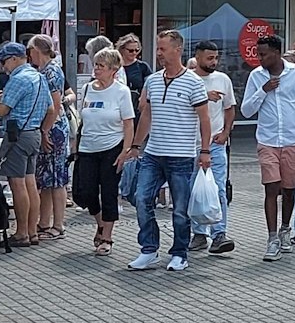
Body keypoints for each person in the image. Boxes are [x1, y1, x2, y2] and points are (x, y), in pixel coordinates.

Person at [125, 30, 212, 273]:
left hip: (181, 155)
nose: (159, 53)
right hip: (153, 153)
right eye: (158, 49)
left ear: (177, 50)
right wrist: (135, 146)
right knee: (142, 199)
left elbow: (205, 120)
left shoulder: (194, 82)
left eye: (163, 49)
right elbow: (147, 116)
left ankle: (179, 253)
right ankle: (149, 249)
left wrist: (205, 151)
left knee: (180, 209)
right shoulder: (152, 80)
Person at [241, 34, 295, 261]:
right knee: (271, 187)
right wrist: (263, 90)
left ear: (276, 53)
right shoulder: (256, 77)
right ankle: (272, 237)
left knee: (288, 189)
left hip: (293, 140)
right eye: (258, 54)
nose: (260, 58)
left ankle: (286, 229)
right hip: (267, 140)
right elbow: (246, 111)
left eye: (263, 54)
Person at [72, 46, 135, 256]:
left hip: (112, 147)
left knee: (108, 192)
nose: (96, 69)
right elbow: (82, 118)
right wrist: (76, 144)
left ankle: (107, 237)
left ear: (113, 69)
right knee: (85, 192)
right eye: (96, 65)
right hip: (88, 146)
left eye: (101, 66)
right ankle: (100, 222)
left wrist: (126, 149)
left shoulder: (121, 92)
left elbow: (128, 123)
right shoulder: (88, 88)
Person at [0, 41, 49, 247]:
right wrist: (43, 130)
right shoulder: (40, 77)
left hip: (18, 134)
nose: (3, 66)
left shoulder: (18, 79)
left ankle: (22, 232)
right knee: (30, 182)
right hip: (33, 133)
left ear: (15, 59)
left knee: (17, 184)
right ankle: (32, 232)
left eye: (4, 61)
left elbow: (3, 111)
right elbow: (51, 109)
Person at [192, 42, 237, 255]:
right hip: (190, 145)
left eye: (216, 57)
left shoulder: (223, 79)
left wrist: (226, 132)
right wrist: (204, 95)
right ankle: (198, 233)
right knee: (194, 190)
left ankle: (219, 233)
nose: (213, 62)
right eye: (209, 58)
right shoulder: (188, 79)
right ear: (198, 57)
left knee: (217, 188)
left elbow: (229, 108)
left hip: (216, 144)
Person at [26, 35, 70, 241]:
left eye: (30, 51)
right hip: (48, 126)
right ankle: (44, 222)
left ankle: (58, 224)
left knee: (56, 178)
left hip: (53, 128)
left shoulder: (51, 72)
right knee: (45, 177)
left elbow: (54, 106)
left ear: (37, 50)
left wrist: (44, 131)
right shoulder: (44, 70)